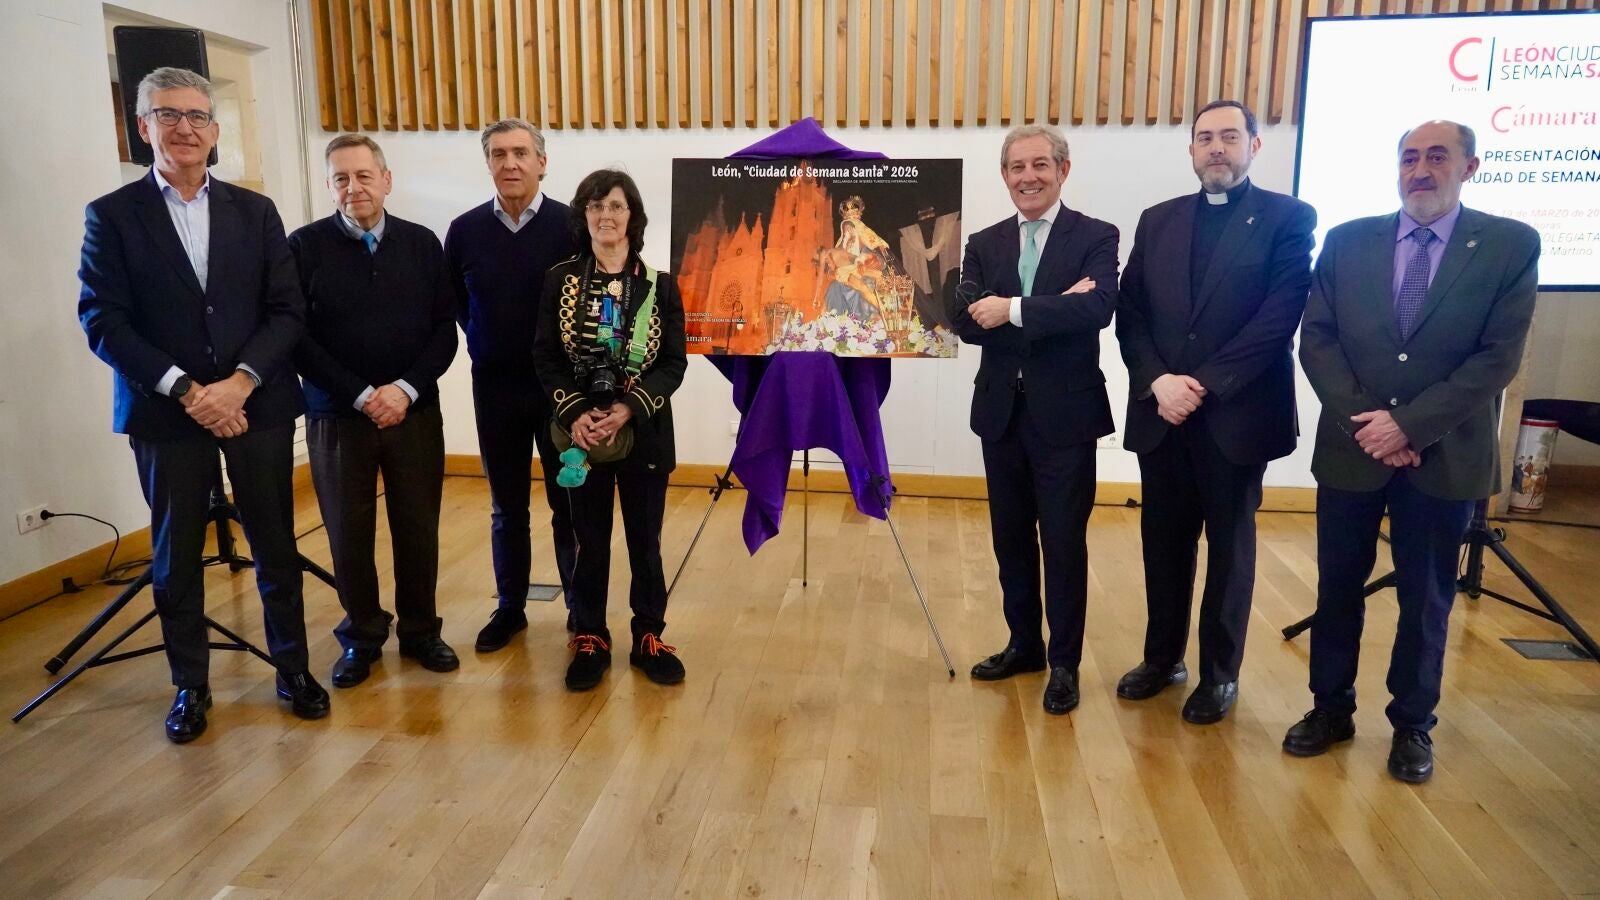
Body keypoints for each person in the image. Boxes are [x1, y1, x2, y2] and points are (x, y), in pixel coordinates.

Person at [77, 67, 327, 742]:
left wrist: (239, 383)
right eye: (168, 115)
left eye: (196, 116)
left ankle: (293, 668)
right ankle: (190, 684)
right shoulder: (111, 216)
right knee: (175, 556)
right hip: (166, 413)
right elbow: (103, 320)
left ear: (215, 131)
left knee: (275, 544)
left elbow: (286, 310)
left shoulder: (257, 211)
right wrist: (188, 391)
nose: (184, 128)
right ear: (143, 127)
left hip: (256, 404)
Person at [1287, 120, 1539, 783]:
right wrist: (1369, 426)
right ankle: (1329, 708)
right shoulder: (1347, 241)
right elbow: (1319, 339)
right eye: (1409, 158)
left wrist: (1408, 427)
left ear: (1469, 166)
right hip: (1353, 451)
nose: (1420, 170)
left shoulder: (1509, 245)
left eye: (1437, 157)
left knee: (1427, 600)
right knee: (1338, 588)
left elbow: (1497, 358)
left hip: (1446, 456)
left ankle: (1412, 725)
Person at [1114, 100, 1316, 724]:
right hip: (1163, 415)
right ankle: (1162, 659)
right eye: (1205, 138)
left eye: (1230, 136)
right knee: (1162, 546)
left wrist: (1199, 384)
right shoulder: (1159, 220)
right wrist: (1157, 382)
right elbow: (1132, 314)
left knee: (1230, 553)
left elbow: (1278, 318)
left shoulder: (1288, 218)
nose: (1216, 148)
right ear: (1192, 150)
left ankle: (1220, 674)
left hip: (1236, 417)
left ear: (1254, 145)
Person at [952, 125, 1120, 715]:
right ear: (1005, 176)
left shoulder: (1096, 235)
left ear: (1063, 170)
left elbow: (1098, 308)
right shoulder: (984, 243)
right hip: (1001, 413)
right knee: (1011, 539)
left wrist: (1011, 308)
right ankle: (1024, 644)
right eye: (1017, 167)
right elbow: (965, 320)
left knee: (1064, 543)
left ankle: (1064, 664)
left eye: (1041, 165)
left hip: (1066, 417)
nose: (1029, 177)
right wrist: (1056, 306)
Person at [289, 134, 459, 688]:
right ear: (328, 185)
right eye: (341, 178)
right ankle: (362, 636)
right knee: (347, 531)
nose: (354, 187)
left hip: (414, 413)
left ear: (386, 180)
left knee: (418, 526)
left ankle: (420, 631)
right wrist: (362, 394)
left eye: (364, 175)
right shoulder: (303, 247)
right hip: (338, 417)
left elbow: (445, 331)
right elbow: (297, 338)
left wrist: (404, 390)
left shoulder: (422, 243)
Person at [532, 169, 687, 692]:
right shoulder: (559, 280)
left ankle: (649, 636)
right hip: (580, 432)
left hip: (643, 430)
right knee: (589, 541)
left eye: (616, 206)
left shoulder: (660, 286)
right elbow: (545, 356)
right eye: (596, 206)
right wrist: (574, 411)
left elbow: (673, 364)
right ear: (584, 216)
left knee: (646, 541)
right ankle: (590, 636)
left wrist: (628, 409)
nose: (606, 215)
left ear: (632, 216)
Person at [445, 118, 579, 652]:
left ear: (542, 162)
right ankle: (510, 608)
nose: (510, 163)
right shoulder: (465, 231)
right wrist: (487, 341)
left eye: (521, 153)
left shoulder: (572, 226)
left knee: (568, 502)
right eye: (499, 154)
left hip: (560, 392)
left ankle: (580, 608)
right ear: (488, 164)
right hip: (496, 388)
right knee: (506, 507)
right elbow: (458, 302)